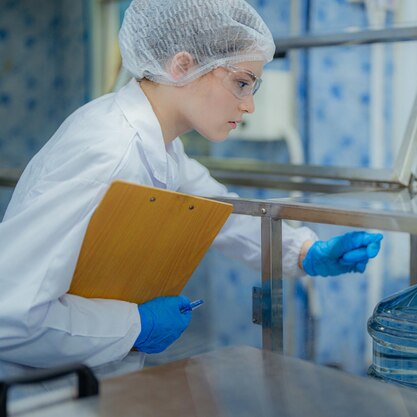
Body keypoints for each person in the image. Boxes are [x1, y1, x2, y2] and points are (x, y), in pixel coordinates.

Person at [0, 0, 382, 390]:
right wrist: (134, 325)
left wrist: (306, 252)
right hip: (38, 395)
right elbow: (9, 315)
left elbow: (220, 212)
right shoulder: (107, 151)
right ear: (181, 66)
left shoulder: (161, 144)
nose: (249, 105)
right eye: (242, 82)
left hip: (89, 387)